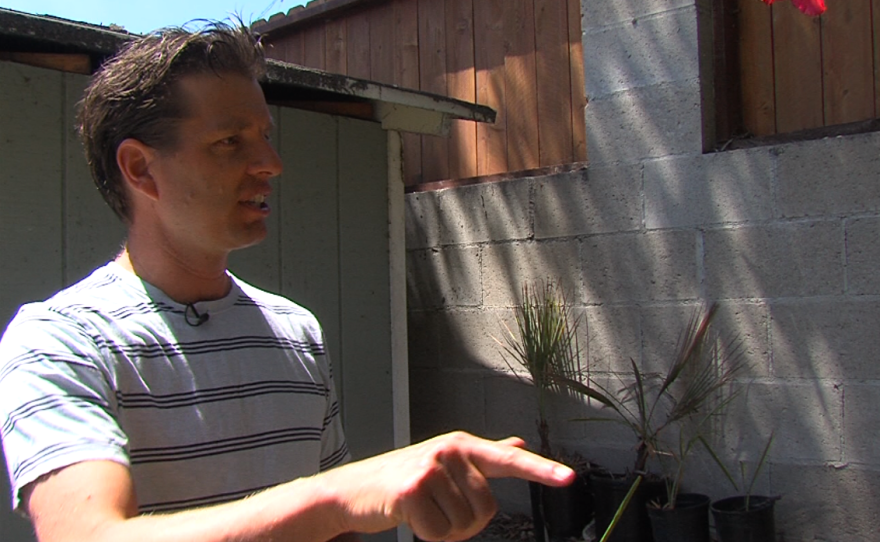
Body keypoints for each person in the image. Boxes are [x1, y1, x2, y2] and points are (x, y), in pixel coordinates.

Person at [0, 21, 574, 542]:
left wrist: (396, 512)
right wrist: (333, 499)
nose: (271, 162)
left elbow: (337, 528)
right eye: (231, 141)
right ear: (141, 169)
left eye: (265, 135)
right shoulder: (61, 342)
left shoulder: (293, 329)